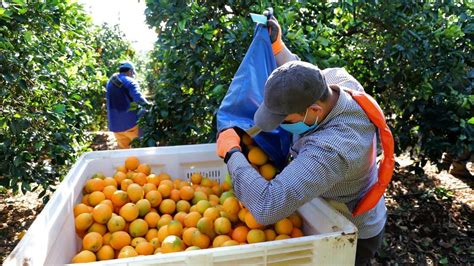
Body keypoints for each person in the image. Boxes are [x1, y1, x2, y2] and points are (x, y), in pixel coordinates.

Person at [216, 15, 393, 265]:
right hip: (320, 204)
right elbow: (299, 75)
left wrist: (232, 154)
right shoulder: (334, 80)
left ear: (314, 111)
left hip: (347, 231)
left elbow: (267, 206)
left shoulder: (334, 148)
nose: (281, 125)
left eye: (285, 120)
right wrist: (278, 46)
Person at [106, 61, 149, 149]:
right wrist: (151, 108)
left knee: (124, 153)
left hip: (116, 126)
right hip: (131, 124)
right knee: (141, 150)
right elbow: (139, 99)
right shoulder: (130, 81)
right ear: (130, 71)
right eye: (133, 73)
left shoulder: (110, 83)